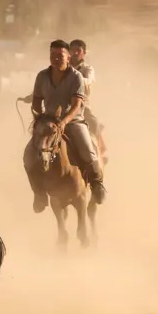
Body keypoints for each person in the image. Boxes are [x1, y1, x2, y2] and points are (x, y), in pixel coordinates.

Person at [27, 39, 106, 211]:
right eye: (53, 55)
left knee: (88, 150)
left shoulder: (76, 77)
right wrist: (40, 119)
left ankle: (97, 183)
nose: (56, 59)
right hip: (49, 122)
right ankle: (39, 194)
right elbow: (36, 101)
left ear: (68, 57)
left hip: (73, 121)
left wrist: (63, 121)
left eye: (60, 55)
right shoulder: (42, 76)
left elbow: (77, 105)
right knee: (28, 155)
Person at [69, 39, 107, 159]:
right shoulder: (61, 67)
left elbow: (87, 82)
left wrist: (73, 77)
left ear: (84, 53)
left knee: (92, 120)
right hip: (62, 104)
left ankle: (102, 149)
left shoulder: (87, 69)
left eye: (78, 50)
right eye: (72, 50)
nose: (75, 53)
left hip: (81, 105)